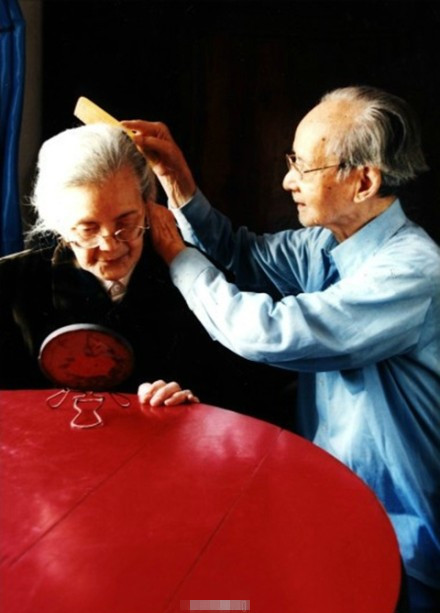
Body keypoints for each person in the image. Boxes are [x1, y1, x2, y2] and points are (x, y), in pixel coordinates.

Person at [123, 85, 440, 613]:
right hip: (332, 510)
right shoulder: (326, 243)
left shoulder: (412, 271)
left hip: (403, 540)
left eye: (303, 167)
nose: (288, 181)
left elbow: (270, 334)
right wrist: (178, 182)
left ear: (364, 181)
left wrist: (178, 257)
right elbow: (241, 253)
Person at [0, 123, 294, 415]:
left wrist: (193, 408)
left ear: (149, 207)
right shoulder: (11, 284)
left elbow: (245, 395)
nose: (110, 246)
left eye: (126, 223)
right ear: (57, 225)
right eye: (88, 229)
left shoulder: (200, 281)